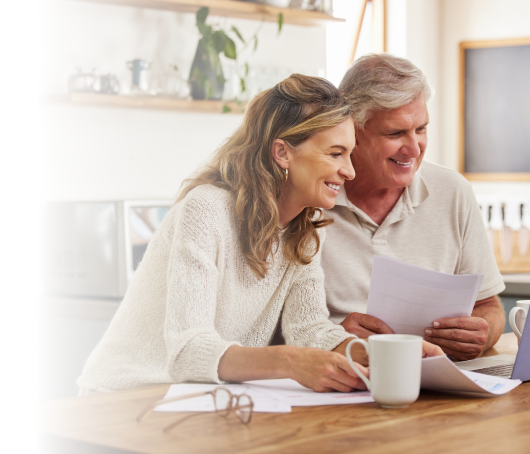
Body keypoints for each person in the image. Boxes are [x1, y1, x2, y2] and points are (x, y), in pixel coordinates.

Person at [78, 74, 440, 396]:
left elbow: (309, 329)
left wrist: (382, 352)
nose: (348, 171)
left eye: (349, 154)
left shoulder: (306, 225)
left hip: (198, 401)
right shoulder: (206, 209)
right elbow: (187, 351)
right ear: (282, 152)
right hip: (123, 397)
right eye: (335, 153)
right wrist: (289, 362)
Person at [322, 54, 506, 361]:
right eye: (395, 133)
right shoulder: (311, 197)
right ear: (352, 130)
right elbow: (266, 330)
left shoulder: (452, 191)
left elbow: (490, 308)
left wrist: (482, 334)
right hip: (342, 383)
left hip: (437, 382)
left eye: (421, 129)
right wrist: (331, 339)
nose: (414, 148)